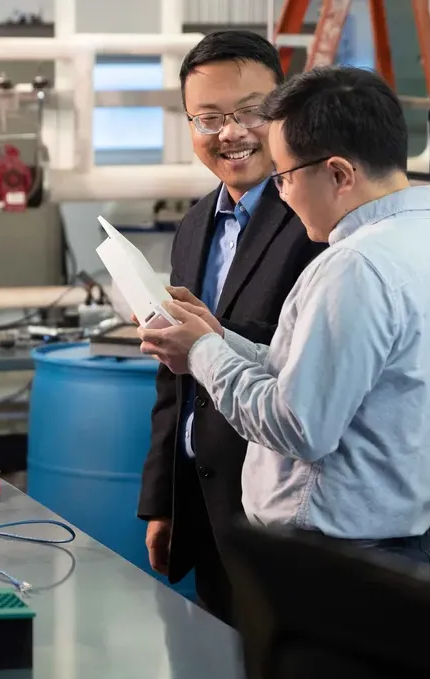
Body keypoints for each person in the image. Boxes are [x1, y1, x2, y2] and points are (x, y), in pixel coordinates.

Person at [139, 67, 430, 571]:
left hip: (333, 563)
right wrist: (216, 336)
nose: (284, 195)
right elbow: (308, 375)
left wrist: (201, 354)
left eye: (284, 177)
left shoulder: (355, 268)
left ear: (339, 174)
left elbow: (299, 426)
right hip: (388, 548)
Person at [136, 30, 324, 622]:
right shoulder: (194, 226)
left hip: (286, 514)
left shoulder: (317, 221)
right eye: (209, 117)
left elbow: (312, 364)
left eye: (249, 111)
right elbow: (176, 378)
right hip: (204, 508)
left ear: (284, 108)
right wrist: (164, 504)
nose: (231, 133)